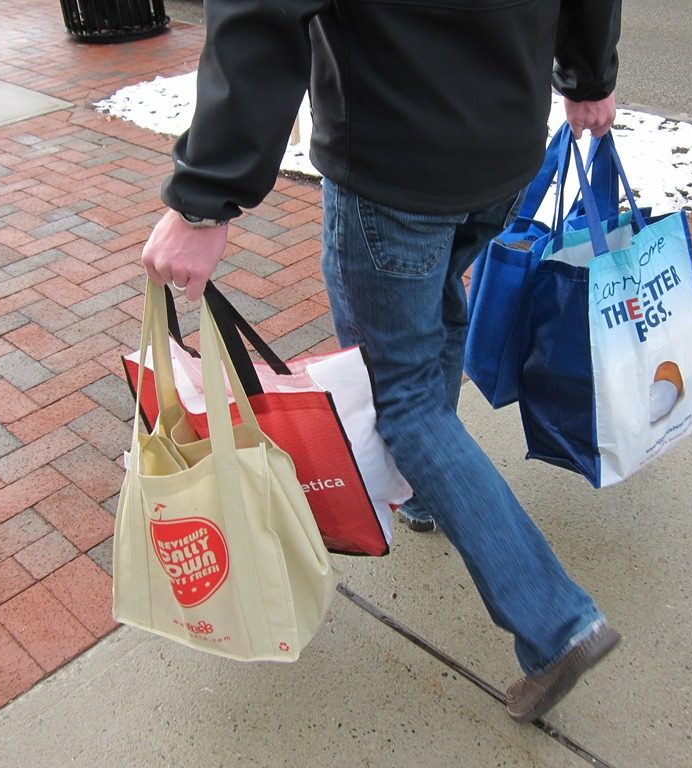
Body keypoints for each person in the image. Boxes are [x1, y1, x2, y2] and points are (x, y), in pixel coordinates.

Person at [142, 0, 622, 723]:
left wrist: (205, 199)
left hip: (395, 160)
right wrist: (588, 71)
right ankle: (427, 491)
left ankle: (558, 626)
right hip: (502, 139)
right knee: (435, 312)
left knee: (400, 397)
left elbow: (261, 15)